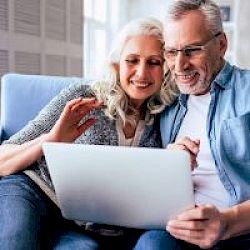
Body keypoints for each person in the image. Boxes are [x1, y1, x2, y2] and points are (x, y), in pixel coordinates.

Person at [0, 17, 178, 250]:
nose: (142, 73)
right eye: (132, 60)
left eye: (154, 62)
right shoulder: (84, 97)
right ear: (117, 65)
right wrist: (51, 140)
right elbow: (2, 159)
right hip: (35, 191)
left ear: (165, 68)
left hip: (86, 219)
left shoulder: (167, 115)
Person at [134, 0, 250, 250]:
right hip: (178, 229)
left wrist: (227, 223)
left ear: (221, 44)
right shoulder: (164, 98)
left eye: (192, 50)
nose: (179, 66)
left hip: (240, 230)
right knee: (151, 244)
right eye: (171, 52)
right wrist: (169, 164)